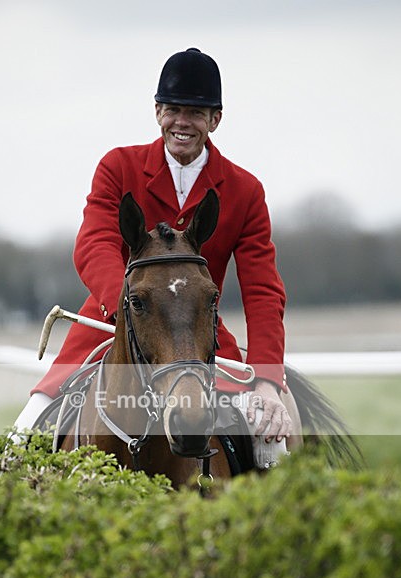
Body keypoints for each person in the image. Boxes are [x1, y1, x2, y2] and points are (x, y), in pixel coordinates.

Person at [15, 47, 292, 447]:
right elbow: (94, 245)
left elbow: (264, 291)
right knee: (24, 433)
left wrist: (266, 380)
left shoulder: (246, 191)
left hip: (197, 336)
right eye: (174, 109)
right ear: (157, 110)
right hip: (111, 326)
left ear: (215, 119)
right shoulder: (118, 167)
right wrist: (128, 308)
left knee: (273, 447)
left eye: (196, 113)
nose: (183, 122)